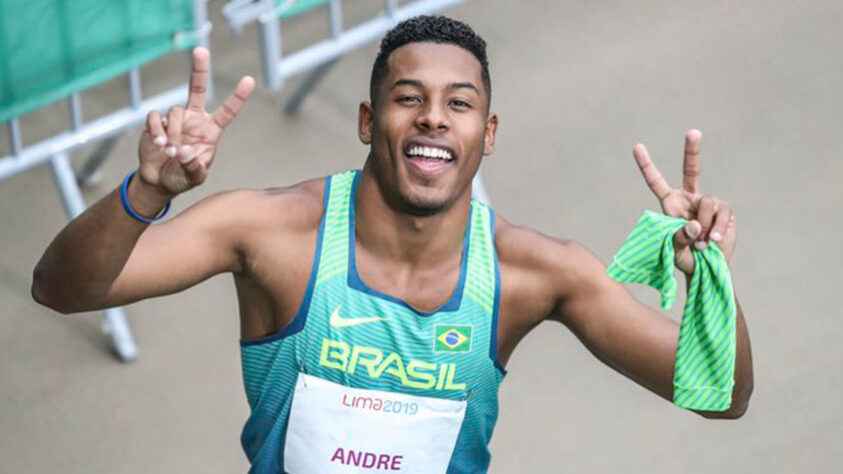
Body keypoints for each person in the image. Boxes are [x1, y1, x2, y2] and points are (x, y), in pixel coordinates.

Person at [32, 15, 753, 474]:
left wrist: (704, 272)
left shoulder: (535, 272)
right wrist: (146, 193)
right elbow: (61, 291)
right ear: (367, 121)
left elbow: (720, 398)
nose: (433, 117)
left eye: (459, 103)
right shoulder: (270, 231)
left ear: (487, 134)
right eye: (408, 98)